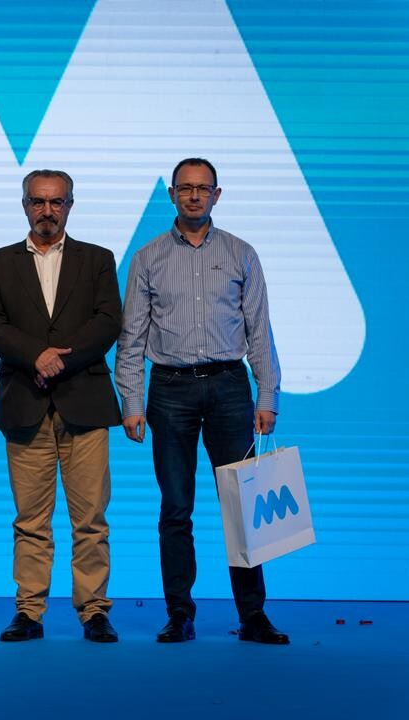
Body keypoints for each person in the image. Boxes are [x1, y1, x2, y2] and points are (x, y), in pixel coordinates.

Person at [115, 158, 288, 644]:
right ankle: (179, 615)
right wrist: (132, 401)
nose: (194, 196)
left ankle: (253, 616)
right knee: (175, 508)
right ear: (171, 194)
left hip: (230, 388)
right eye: (186, 188)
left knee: (242, 506)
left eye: (203, 188)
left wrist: (267, 395)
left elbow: (260, 331)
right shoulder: (148, 258)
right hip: (169, 390)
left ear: (217, 195)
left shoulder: (241, 254)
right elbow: (131, 338)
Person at [0, 170, 123, 643]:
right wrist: (34, 355)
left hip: (85, 403)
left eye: (56, 202)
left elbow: (108, 321)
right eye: (38, 202)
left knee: (91, 520)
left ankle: (94, 611)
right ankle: (29, 612)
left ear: (70, 206)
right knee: (30, 520)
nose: (47, 211)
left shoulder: (97, 259)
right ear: (24, 206)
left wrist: (60, 360)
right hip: (25, 403)